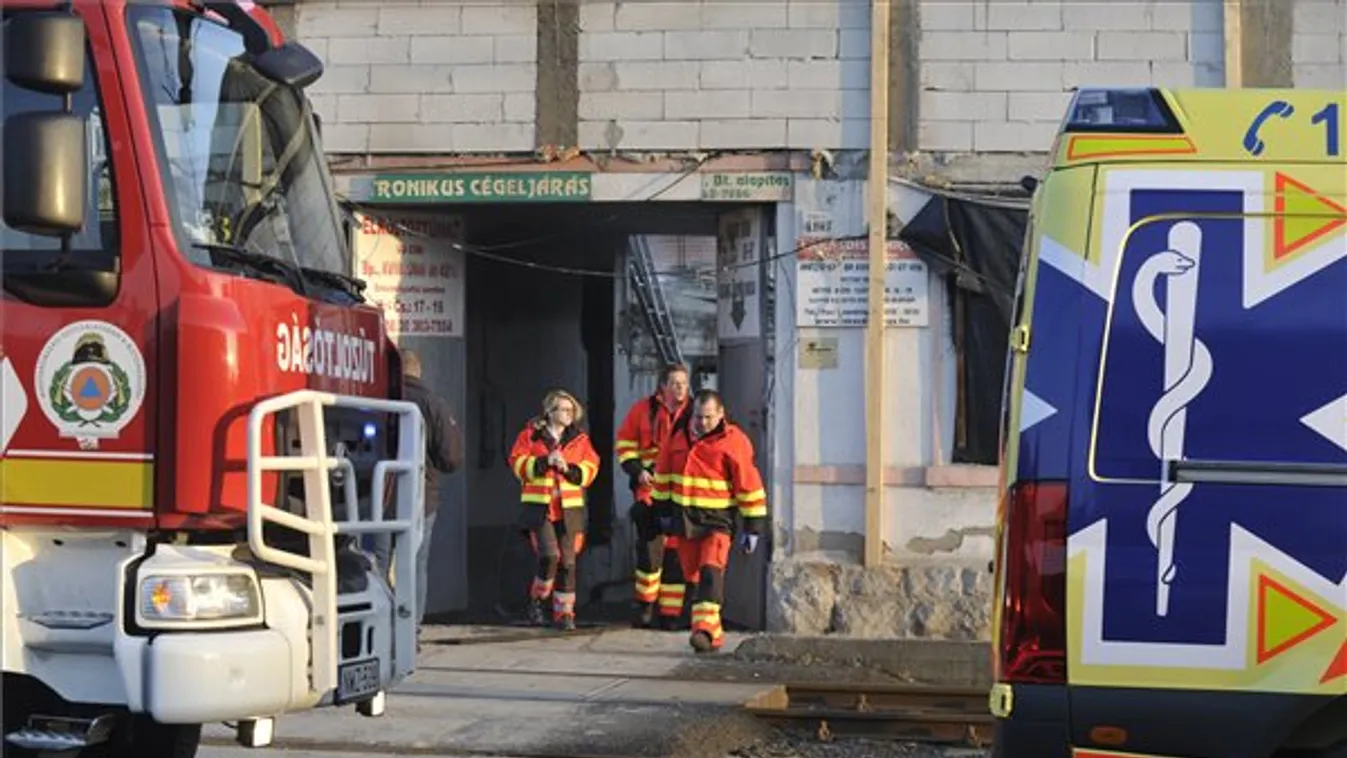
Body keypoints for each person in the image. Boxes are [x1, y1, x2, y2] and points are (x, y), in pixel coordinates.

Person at [651, 389, 767, 653]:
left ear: (721, 414)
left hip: (718, 521)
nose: (702, 423)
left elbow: (749, 486)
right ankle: (712, 633)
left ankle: (702, 631)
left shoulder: (734, 441)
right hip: (685, 520)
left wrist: (753, 527)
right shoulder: (678, 436)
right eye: (698, 417)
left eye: (708, 417)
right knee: (692, 575)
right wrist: (662, 513)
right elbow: (663, 475)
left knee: (710, 571)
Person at [373, 348, 463, 649]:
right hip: (421, 496)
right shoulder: (434, 404)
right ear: (419, 371)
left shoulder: (377, 398)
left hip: (380, 494)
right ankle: (409, 632)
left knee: (379, 562)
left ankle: (380, 627)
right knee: (415, 564)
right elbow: (451, 458)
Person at [508, 389, 600, 631]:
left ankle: (564, 614)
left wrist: (569, 469)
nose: (569, 414)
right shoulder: (532, 436)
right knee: (549, 556)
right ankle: (537, 601)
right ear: (550, 411)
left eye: (571, 410)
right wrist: (543, 462)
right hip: (540, 509)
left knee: (568, 563)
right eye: (563, 409)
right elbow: (516, 463)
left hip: (569, 510)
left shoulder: (579, 439)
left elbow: (591, 467)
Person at [615, 363, 691, 629]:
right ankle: (646, 605)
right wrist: (637, 471)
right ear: (663, 386)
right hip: (648, 491)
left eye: (684, 383)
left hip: (681, 494)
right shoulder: (642, 411)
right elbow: (624, 444)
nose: (681, 388)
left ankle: (670, 614)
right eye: (675, 383)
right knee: (650, 552)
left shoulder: (695, 413)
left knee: (675, 554)